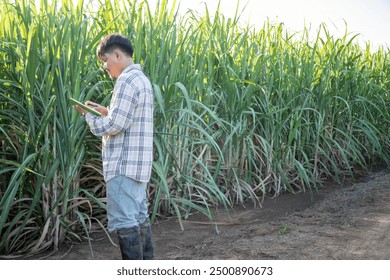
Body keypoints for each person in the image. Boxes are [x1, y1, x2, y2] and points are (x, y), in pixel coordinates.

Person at [74, 33, 154, 260]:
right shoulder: (142, 80)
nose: (105, 67)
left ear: (117, 54)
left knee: (125, 222)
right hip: (138, 167)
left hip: (122, 166)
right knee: (139, 218)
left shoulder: (126, 81)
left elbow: (116, 125)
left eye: (105, 60)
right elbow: (127, 120)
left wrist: (89, 117)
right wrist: (105, 111)